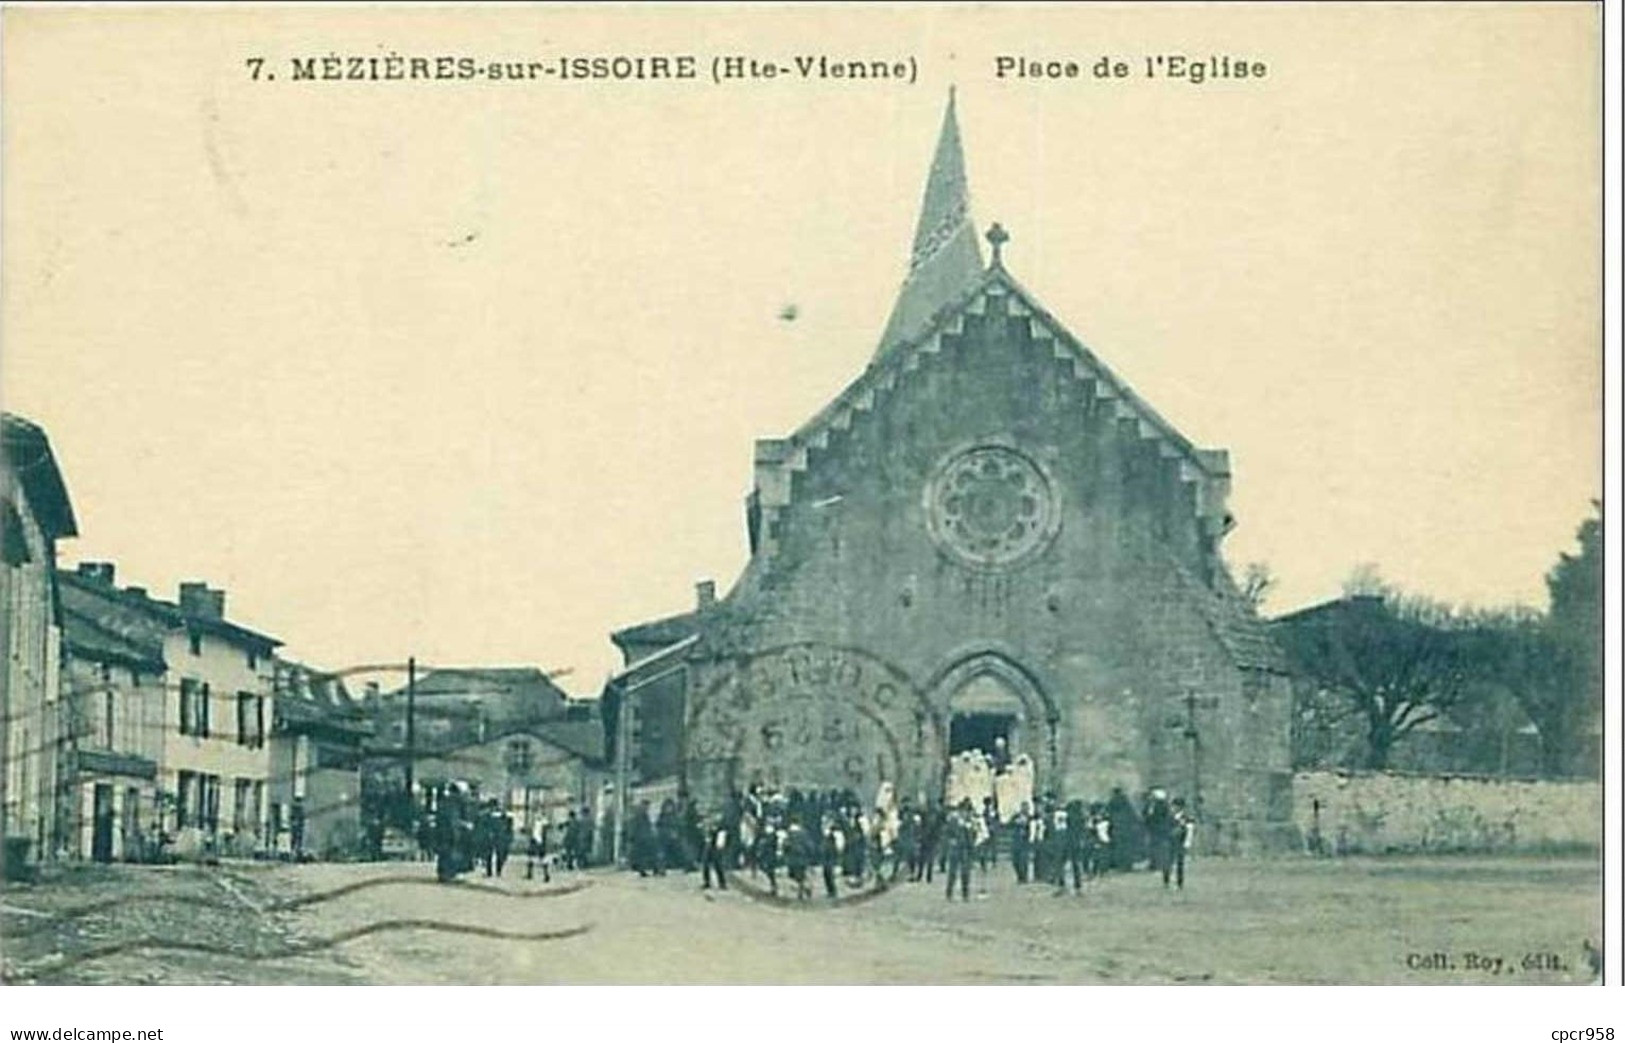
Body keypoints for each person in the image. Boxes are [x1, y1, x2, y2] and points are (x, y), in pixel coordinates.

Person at [943, 799, 975, 901]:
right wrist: (951, 840)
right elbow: (947, 832)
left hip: (965, 849)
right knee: (953, 872)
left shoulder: (969, 822)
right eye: (965, 811)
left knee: (965, 872)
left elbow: (972, 836)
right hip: (955, 849)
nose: (967, 813)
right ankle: (949, 893)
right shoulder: (954, 820)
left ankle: (965, 894)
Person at [701, 810, 730, 891]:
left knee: (717, 864)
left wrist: (720, 845)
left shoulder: (721, 825)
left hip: (716, 844)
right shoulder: (709, 824)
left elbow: (722, 834)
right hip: (709, 844)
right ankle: (707, 882)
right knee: (706, 863)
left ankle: (722, 883)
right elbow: (706, 833)